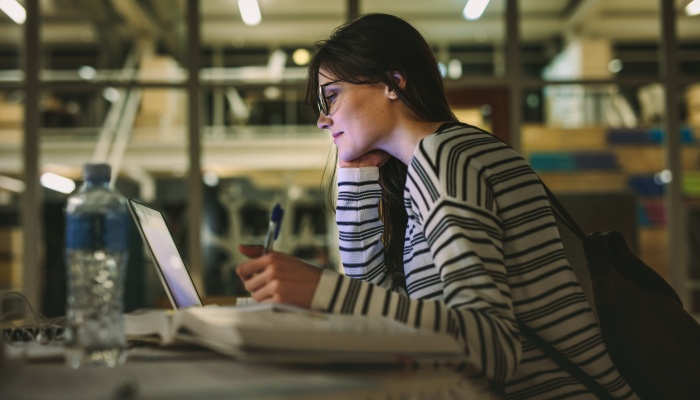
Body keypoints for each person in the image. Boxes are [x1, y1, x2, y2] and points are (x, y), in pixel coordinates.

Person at [237, 13, 637, 399]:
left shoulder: (445, 158)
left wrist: (323, 289)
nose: (323, 121)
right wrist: (355, 176)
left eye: (333, 97)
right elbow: (374, 307)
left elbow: (491, 347)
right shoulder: (446, 155)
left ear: (393, 83)